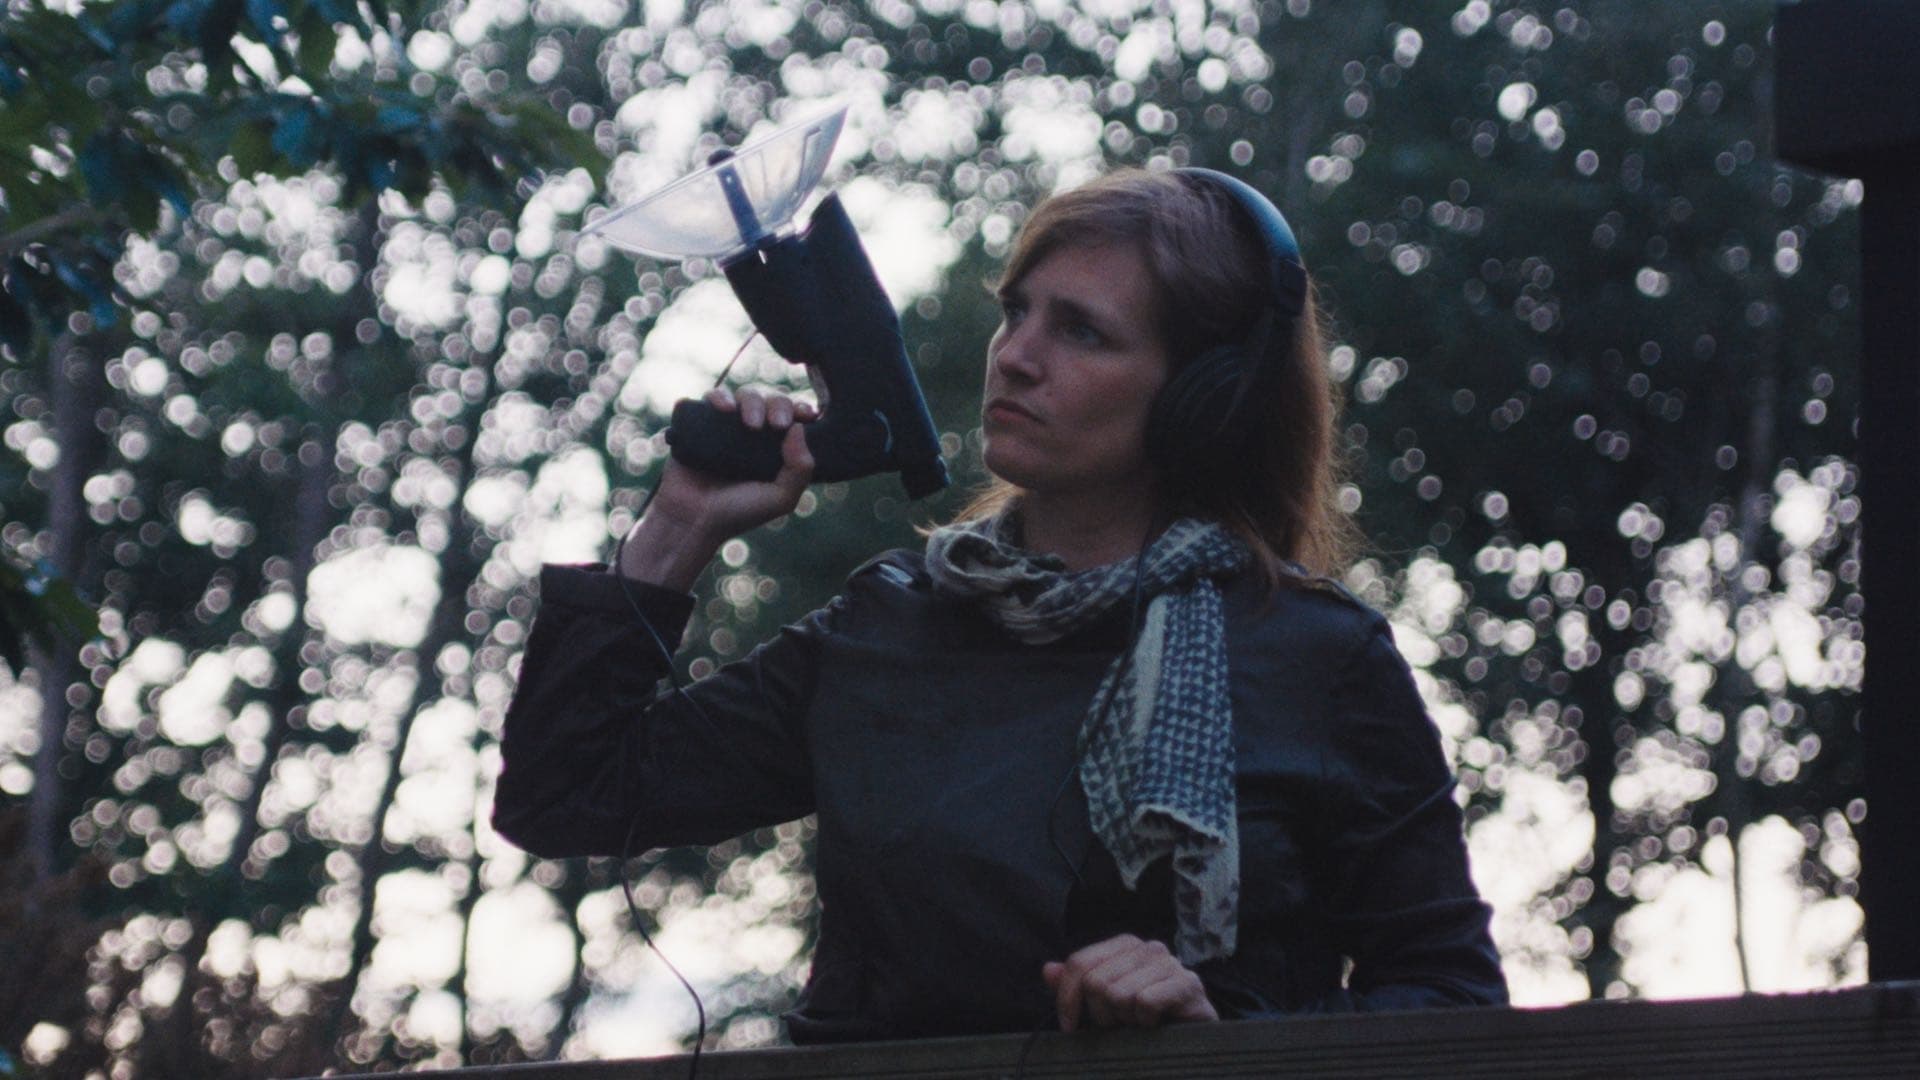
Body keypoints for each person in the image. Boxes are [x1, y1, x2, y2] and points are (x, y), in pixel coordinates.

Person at [492, 167, 1508, 1044]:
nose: (1016, 354)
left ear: (1205, 397)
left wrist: (1221, 1038)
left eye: (1082, 331)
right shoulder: (888, 623)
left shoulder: (1317, 656)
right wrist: (679, 525)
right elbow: (563, 793)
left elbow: (1453, 1000)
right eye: (1017, 311)